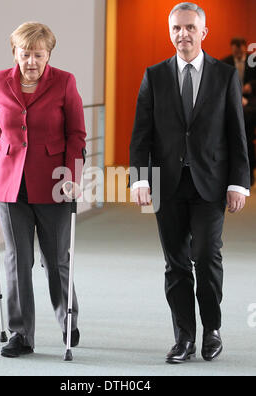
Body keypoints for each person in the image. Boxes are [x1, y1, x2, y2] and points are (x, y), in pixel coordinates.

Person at [130, 2, 250, 364]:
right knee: (176, 263)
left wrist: (239, 183)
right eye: (176, 28)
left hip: (210, 184)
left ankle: (211, 328)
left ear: (203, 32)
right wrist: (140, 179)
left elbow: (236, 134)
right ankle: (184, 337)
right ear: (171, 33)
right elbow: (141, 135)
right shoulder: (154, 75)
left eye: (189, 27)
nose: (183, 34)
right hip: (167, 184)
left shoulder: (225, 76)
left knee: (205, 255)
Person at [0, 22, 86, 358]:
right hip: (9, 187)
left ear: (48, 54)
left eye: (39, 55)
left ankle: (67, 319)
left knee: (55, 260)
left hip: (55, 184)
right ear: (15, 53)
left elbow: (77, 135)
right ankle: (21, 333)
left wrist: (73, 175)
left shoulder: (65, 82)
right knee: (17, 261)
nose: (32, 62)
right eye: (26, 54)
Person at [222, 38, 256, 186]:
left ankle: (249, 175)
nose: (237, 53)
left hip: (250, 104)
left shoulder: (252, 61)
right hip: (232, 103)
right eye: (234, 51)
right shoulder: (225, 62)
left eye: (240, 50)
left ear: (244, 48)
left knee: (247, 140)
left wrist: (251, 86)